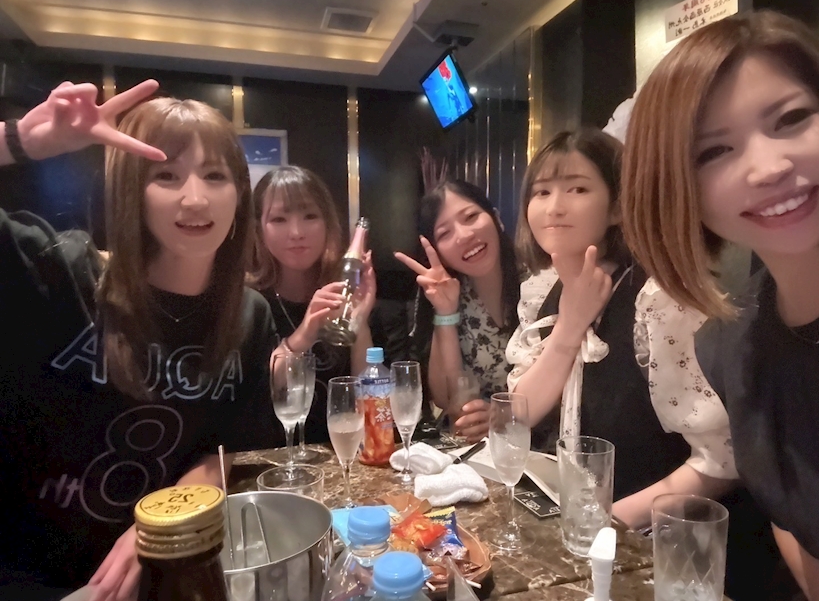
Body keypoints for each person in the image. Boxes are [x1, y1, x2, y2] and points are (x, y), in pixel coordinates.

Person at [0, 81, 280, 600]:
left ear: (239, 194)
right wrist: (20, 140)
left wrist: (158, 528)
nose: (195, 198)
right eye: (166, 175)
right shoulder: (58, 272)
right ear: (131, 188)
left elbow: (224, 450)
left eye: (215, 176)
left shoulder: (249, 315)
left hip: (171, 575)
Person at [621, 10, 819, 599]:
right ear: (677, 189)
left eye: (791, 119)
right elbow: (793, 516)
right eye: (715, 151)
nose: (769, 168)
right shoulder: (730, 345)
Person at [506, 128, 736, 529]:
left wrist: (608, 523)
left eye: (577, 189)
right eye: (541, 192)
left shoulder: (660, 298)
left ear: (617, 208)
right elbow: (520, 412)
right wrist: (570, 326)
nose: (554, 207)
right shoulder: (541, 290)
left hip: (652, 537)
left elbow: (722, 460)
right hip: (568, 522)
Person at [249, 166, 376, 444]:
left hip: (341, 453)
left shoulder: (346, 294)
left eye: (310, 216)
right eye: (279, 219)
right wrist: (304, 335)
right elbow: (253, 394)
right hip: (273, 458)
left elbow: (370, 398)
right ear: (259, 229)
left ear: (328, 223)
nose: (296, 232)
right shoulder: (249, 304)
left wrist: (359, 320)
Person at [395, 180, 520, 443]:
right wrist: (445, 312)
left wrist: (502, 415)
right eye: (445, 233)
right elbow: (446, 399)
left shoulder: (538, 282)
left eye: (471, 217)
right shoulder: (447, 292)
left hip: (536, 445)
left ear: (496, 218)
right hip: (472, 447)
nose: (463, 236)